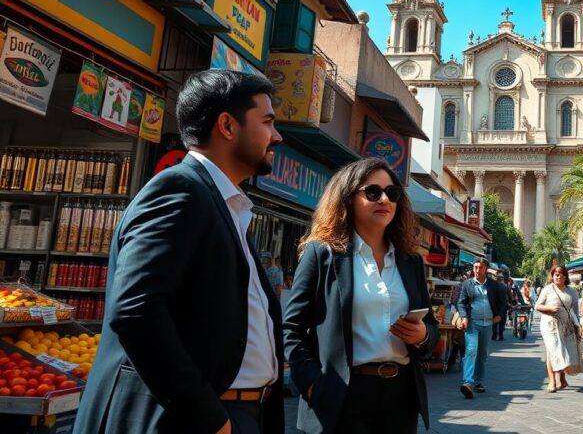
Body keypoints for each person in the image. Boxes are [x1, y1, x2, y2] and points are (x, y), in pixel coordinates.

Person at [75, 70, 285, 434]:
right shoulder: (181, 189)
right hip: (193, 419)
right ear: (227, 126)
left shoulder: (227, 204)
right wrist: (210, 417)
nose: (277, 136)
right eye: (267, 122)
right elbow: (136, 311)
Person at [283, 158, 439, 433]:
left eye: (392, 193)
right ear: (348, 197)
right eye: (372, 192)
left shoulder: (409, 260)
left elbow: (432, 329)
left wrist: (423, 335)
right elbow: (291, 328)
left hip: (400, 396)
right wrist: (310, 382)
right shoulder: (322, 254)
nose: (384, 199)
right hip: (342, 394)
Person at [456, 258, 507, 399]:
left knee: (482, 354)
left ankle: (478, 382)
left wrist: (499, 316)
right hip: (472, 323)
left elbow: (503, 302)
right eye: (475, 267)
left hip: (488, 324)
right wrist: (464, 317)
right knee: (471, 351)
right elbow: (460, 303)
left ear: (486, 269)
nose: (477, 270)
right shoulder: (467, 284)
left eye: (480, 267)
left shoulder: (494, 285)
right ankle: (467, 383)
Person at [534, 264, 583, 393]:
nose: (558, 275)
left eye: (560, 273)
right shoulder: (547, 289)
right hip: (549, 325)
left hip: (566, 325)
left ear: (565, 276)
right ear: (552, 276)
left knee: (563, 351)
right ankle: (552, 380)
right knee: (553, 350)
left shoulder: (572, 291)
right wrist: (550, 309)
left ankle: (562, 378)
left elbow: (574, 310)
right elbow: (537, 306)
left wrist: (577, 326)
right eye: (555, 273)